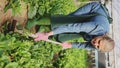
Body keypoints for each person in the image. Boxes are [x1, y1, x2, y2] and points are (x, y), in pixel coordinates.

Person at [33, 2, 115, 52]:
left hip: (91, 29)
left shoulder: (98, 47)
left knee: (68, 36)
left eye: (97, 47)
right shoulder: (95, 27)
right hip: (94, 9)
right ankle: (37, 20)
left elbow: (85, 46)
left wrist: (70, 45)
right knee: (70, 18)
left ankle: (46, 29)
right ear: (104, 36)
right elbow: (73, 27)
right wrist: (48, 34)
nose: (95, 44)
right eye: (99, 42)